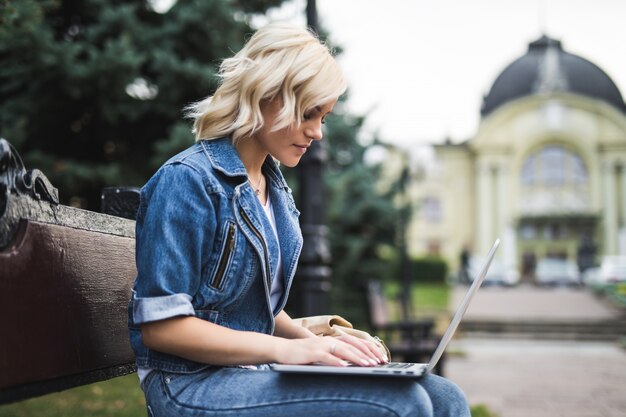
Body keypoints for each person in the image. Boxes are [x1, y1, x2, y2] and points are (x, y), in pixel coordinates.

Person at [128, 22, 471, 417]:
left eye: (323, 117)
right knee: (402, 404)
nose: (318, 133)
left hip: (250, 371)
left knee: (445, 398)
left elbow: (255, 310)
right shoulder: (188, 180)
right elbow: (163, 327)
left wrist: (332, 347)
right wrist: (294, 350)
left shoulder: (273, 190)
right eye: (309, 114)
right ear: (266, 94)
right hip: (188, 382)